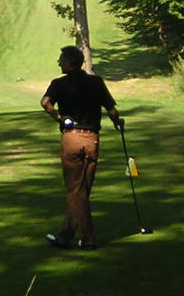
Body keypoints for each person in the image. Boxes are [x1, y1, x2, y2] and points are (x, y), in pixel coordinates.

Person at [40, 45, 124, 250]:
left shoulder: (58, 84)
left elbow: (45, 102)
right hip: (92, 139)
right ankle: (64, 237)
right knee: (82, 191)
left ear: (69, 62)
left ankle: (88, 239)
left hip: (72, 139)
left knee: (74, 191)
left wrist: (59, 118)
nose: (59, 62)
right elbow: (112, 110)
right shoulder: (96, 82)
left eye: (61, 59)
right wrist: (117, 123)